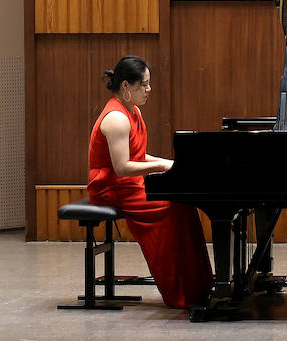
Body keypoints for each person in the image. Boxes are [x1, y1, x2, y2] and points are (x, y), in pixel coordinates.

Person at [87, 56, 213, 309]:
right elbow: (122, 168)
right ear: (126, 86)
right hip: (110, 188)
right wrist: (161, 166)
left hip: (127, 184)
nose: (149, 89)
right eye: (143, 85)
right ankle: (180, 291)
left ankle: (198, 286)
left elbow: (138, 155)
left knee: (182, 203)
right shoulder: (117, 118)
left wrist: (172, 163)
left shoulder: (133, 111)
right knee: (170, 208)